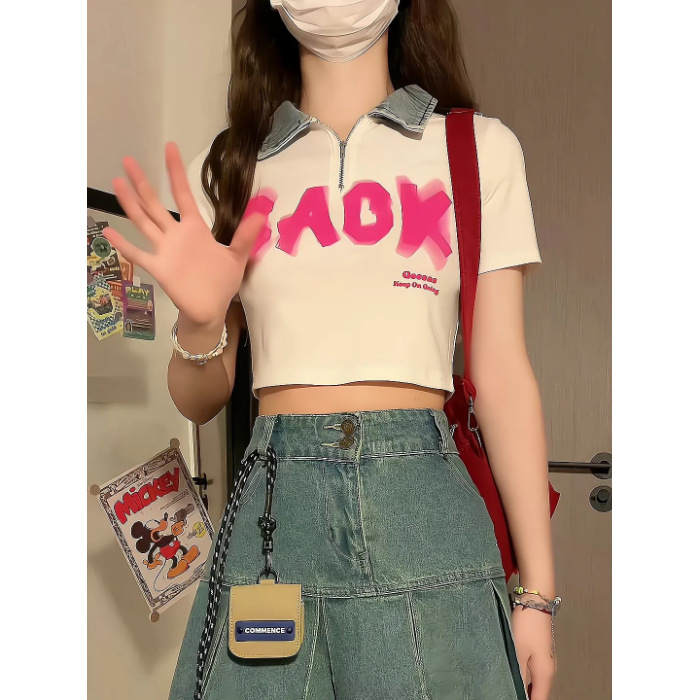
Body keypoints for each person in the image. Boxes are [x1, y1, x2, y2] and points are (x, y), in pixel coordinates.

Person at [103, 1, 559, 698]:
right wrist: (199, 323)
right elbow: (198, 400)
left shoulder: (477, 150)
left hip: (425, 507)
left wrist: (538, 596)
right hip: (274, 510)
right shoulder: (226, 168)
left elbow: (501, 375)